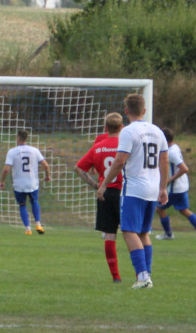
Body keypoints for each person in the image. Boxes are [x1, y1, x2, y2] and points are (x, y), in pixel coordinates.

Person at [98, 94, 168, 290]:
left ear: (126, 111)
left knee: (129, 230)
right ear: (144, 111)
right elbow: (164, 161)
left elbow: (120, 161)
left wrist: (104, 184)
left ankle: (143, 276)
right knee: (144, 232)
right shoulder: (157, 131)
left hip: (135, 188)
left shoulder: (128, 132)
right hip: (153, 188)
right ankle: (147, 275)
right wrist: (163, 187)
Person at [75, 112, 125, 283]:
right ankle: (141, 273)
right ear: (122, 127)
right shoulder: (126, 144)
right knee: (132, 232)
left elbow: (79, 169)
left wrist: (95, 185)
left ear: (105, 128)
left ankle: (116, 276)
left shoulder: (98, 147)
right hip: (124, 192)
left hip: (105, 193)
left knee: (110, 234)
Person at [155, 127, 196, 242]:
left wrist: (169, 179)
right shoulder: (175, 147)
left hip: (175, 188)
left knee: (159, 208)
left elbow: (184, 168)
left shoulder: (170, 152)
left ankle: (168, 234)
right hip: (182, 186)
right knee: (184, 210)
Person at [0, 130, 51, 235]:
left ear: (18, 139)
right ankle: (38, 224)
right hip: (32, 183)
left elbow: (6, 169)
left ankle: (28, 229)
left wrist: (2, 181)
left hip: (19, 184)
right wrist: (47, 176)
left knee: (22, 205)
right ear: (26, 138)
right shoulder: (34, 150)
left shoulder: (12, 151)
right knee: (34, 201)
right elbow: (46, 165)